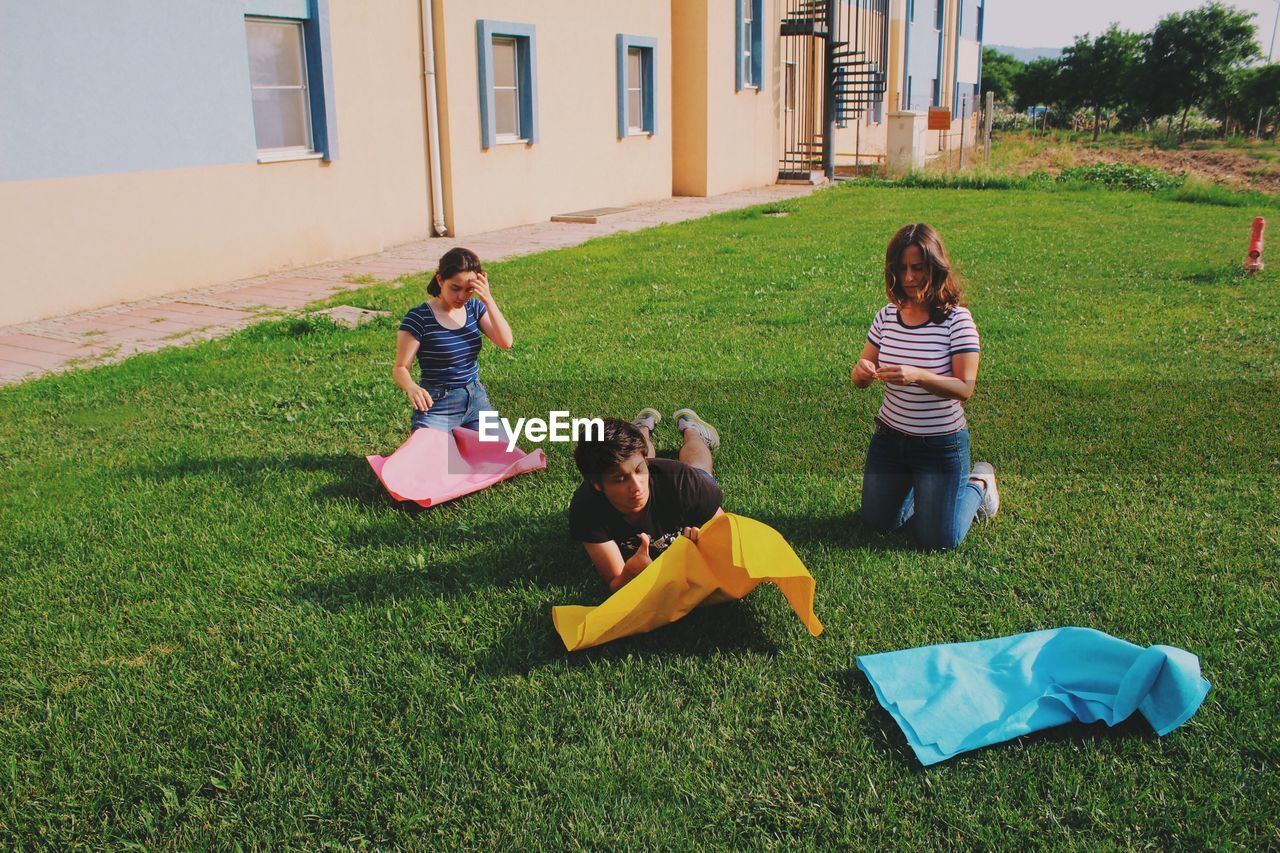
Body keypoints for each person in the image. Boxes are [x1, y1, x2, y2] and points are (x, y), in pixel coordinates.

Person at [851, 223, 999, 550]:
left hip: (939, 446)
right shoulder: (887, 316)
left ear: (935, 267)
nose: (908, 277)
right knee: (879, 523)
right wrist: (862, 372)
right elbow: (860, 374)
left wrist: (918, 376)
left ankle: (979, 484)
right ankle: (926, 492)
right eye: (901, 268)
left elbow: (964, 388)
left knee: (938, 540)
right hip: (890, 441)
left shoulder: (956, 320)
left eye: (917, 268)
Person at [569, 409, 725, 591]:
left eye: (639, 470)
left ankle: (691, 430)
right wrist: (630, 572)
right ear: (597, 484)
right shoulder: (587, 508)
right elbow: (616, 583)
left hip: (676, 476)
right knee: (635, 463)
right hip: (653, 472)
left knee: (699, 468)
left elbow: (729, 542)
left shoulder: (684, 481)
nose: (636, 486)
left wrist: (706, 544)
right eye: (620, 479)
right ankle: (643, 427)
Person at [392, 247, 514, 433]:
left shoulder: (473, 307)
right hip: (437, 404)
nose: (462, 297)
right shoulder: (419, 318)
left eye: (469, 290)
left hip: (475, 399)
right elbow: (400, 367)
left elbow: (505, 341)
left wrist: (488, 299)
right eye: (455, 288)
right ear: (440, 279)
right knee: (433, 460)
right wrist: (411, 387)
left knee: (504, 457)